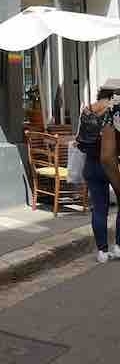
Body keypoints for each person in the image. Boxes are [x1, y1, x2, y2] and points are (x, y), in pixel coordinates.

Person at [76, 80, 120, 263]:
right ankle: (118, 246)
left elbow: (80, 139)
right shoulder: (113, 110)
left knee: (99, 209)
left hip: (91, 164)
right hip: (111, 164)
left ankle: (102, 251)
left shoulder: (88, 110)